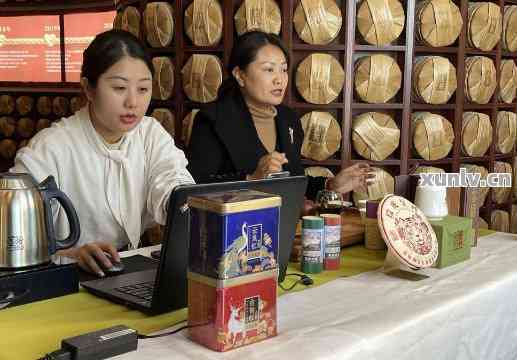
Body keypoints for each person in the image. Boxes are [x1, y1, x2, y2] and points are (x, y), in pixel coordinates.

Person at [11, 29, 194, 276]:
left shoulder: (149, 133)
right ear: (88, 88)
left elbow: (171, 177)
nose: (133, 102)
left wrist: (183, 202)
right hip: (63, 279)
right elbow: (16, 234)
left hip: (128, 270)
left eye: (143, 89)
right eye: (119, 88)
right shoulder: (51, 148)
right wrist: (71, 254)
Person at [187, 31, 372, 201]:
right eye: (269, 69)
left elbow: (292, 180)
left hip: (283, 229)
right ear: (239, 75)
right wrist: (252, 179)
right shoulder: (213, 119)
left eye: (283, 69)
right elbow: (195, 188)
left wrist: (331, 185)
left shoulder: (288, 119)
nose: (279, 79)